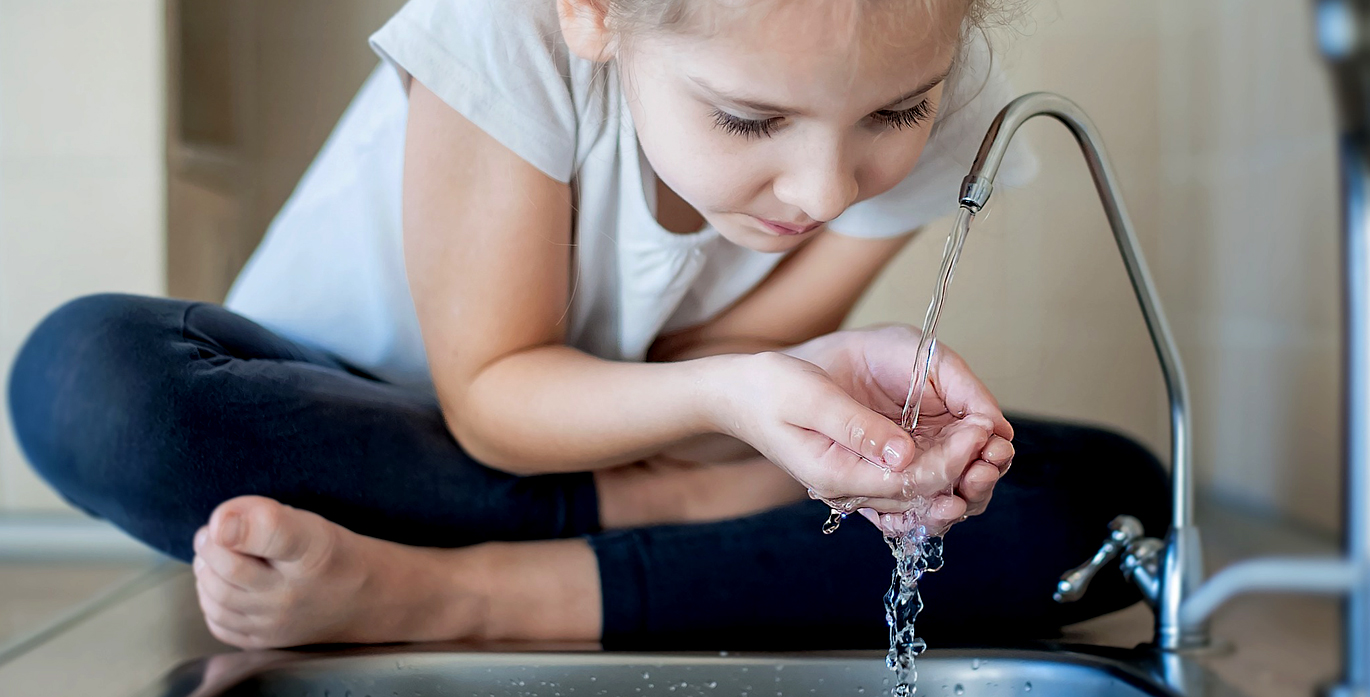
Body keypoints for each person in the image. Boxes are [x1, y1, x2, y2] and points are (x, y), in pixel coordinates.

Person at [7, 0, 1169, 651]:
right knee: (94, 382)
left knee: (1105, 501)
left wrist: (792, 389)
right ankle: (640, 537)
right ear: (594, 15)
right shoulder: (506, 28)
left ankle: (426, 594)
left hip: (620, 429)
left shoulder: (923, 79)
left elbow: (695, 380)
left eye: (892, 115)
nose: (823, 190)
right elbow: (496, 402)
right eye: (748, 119)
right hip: (367, 432)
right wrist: (728, 431)